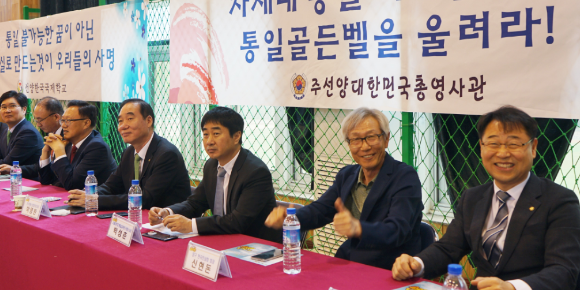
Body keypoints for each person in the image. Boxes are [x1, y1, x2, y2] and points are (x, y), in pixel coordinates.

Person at [392, 106, 580, 290]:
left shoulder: (560, 201)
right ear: (481, 147)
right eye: (493, 143)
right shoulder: (472, 197)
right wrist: (416, 264)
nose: (502, 153)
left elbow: (564, 272)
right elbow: (448, 249)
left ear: (533, 148)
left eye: (513, 144)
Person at [265, 108, 423, 269]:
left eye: (371, 137)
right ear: (349, 144)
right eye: (356, 139)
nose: (365, 146)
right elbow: (321, 210)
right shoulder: (347, 175)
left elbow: (397, 229)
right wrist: (291, 218)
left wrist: (358, 228)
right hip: (352, 262)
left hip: (391, 268)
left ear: (386, 139)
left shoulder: (405, 177)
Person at [149, 107, 280, 242]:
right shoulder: (211, 165)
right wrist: (167, 212)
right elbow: (195, 203)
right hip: (222, 239)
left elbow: (237, 222)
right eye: (205, 134)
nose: (209, 141)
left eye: (216, 134)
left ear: (236, 136)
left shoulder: (256, 172)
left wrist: (191, 225)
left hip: (255, 244)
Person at [67, 99, 190, 211]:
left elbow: (145, 198)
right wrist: (89, 195)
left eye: (130, 119)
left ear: (148, 121)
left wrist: (95, 201)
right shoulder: (129, 152)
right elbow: (111, 186)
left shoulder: (167, 154)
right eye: (120, 121)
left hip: (167, 221)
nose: (123, 126)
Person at [37, 100, 116, 189]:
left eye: (68, 121)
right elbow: (47, 180)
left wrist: (59, 150)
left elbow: (72, 184)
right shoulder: (70, 143)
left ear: (86, 123)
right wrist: (45, 152)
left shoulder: (97, 147)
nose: (63, 125)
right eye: (62, 120)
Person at [0, 96, 64, 179]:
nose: (38, 124)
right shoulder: (51, 135)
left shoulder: (66, 137)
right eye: (36, 120)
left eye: (40, 120)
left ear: (56, 117)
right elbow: (41, 170)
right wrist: (15, 169)